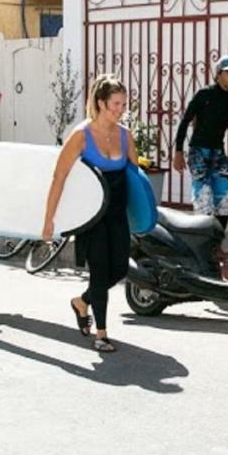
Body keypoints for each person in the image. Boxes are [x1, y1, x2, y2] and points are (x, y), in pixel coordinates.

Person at [43, 74, 139, 352]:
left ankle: (82, 301)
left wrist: (144, 217)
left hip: (117, 213)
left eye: (123, 104)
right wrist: (49, 220)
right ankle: (101, 333)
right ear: (100, 103)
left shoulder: (125, 136)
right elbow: (59, 177)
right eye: (115, 104)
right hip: (92, 215)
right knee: (99, 271)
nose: (120, 110)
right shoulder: (81, 136)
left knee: (119, 268)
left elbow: (135, 178)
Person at [172, 54, 228, 232]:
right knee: (204, 200)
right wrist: (178, 152)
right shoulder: (204, 94)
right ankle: (203, 244)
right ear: (219, 74)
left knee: (225, 198)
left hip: (218, 153)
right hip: (198, 152)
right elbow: (184, 122)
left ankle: (217, 245)